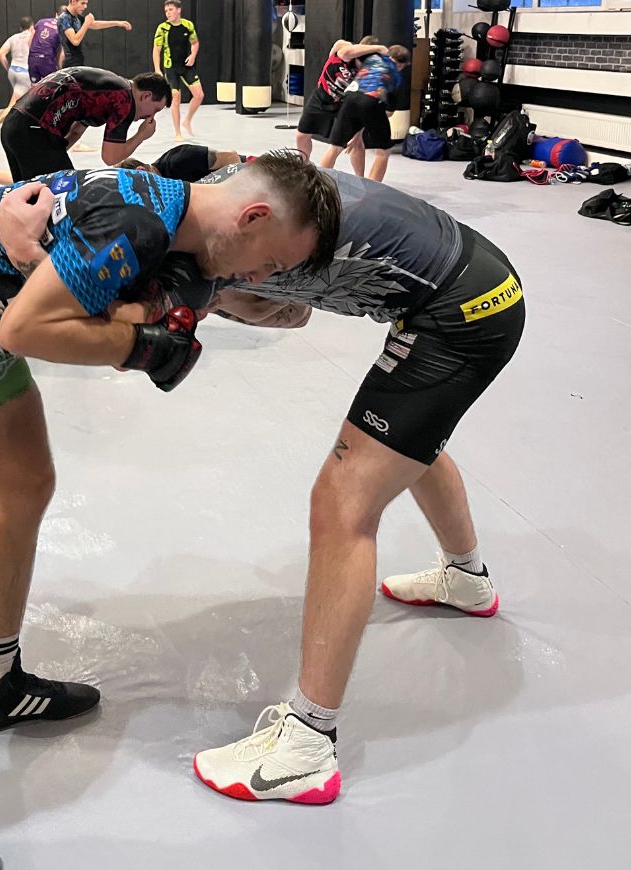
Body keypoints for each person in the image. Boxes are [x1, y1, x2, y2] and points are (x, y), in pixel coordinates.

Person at [0, 152, 341, 870]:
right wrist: (140, 346)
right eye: (270, 261)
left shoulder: (189, 232)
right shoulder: (137, 222)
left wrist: (211, 301)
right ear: (252, 216)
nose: (264, 277)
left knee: (27, 486)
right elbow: (27, 330)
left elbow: (274, 309)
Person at [167, 167, 524, 806]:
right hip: (466, 284)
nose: (262, 271)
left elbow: (293, 315)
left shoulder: (251, 219)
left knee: (340, 504)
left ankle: (306, 746)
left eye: (271, 263)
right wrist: (221, 292)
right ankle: (467, 578)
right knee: (406, 443)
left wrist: (217, 290)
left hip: (462, 312)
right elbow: (286, 308)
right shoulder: (241, 201)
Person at [0, 68, 171, 181]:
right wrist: (141, 135)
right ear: (146, 96)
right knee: (63, 196)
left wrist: (52, 157)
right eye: (156, 109)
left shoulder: (110, 87)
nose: (151, 116)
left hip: (13, 125)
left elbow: (75, 132)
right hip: (35, 131)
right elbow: (111, 157)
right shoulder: (125, 99)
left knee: (29, 196)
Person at [319, 45, 411, 183]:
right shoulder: (396, 76)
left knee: (335, 147)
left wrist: (358, 131)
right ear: (401, 65)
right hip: (372, 101)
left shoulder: (372, 58)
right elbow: (389, 111)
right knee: (383, 152)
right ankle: (371, 189)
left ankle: (318, 184)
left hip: (349, 97)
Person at [295, 35, 388, 168]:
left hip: (343, 105)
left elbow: (365, 103)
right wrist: (379, 48)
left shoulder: (370, 72)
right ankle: (304, 165)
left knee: (356, 143)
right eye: (360, 59)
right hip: (322, 95)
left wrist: (358, 133)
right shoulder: (344, 48)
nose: (361, 65)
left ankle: (359, 177)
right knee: (301, 135)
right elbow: (345, 52)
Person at [153, 0, 203, 141]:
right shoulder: (163, 28)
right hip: (171, 68)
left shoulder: (188, 25)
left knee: (199, 95)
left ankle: (187, 121)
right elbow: (156, 50)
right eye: (166, 11)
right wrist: (157, 69)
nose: (168, 13)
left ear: (178, 10)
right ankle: (177, 132)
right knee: (176, 98)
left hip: (186, 66)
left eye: (170, 10)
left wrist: (193, 55)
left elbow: (195, 43)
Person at [0, 17, 36, 133]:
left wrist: (8, 68)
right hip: (25, 72)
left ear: (21, 28)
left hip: (14, 71)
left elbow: (0, 54)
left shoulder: (13, 38)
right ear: (31, 27)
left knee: (23, 99)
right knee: (14, 103)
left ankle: (22, 122)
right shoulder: (32, 36)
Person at [117, 143, 248, 182]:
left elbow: (230, 156)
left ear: (142, 170)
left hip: (252, 169)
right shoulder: (164, 183)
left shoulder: (178, 160)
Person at [58, 0, 131, 69]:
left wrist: (118, 23)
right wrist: (86, 23)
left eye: (86, 3)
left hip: (77, 62)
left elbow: (94, 24)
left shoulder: (77, 17)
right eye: (82, 3)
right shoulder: (64, 18)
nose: (85, 6)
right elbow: (75, 41)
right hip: (70, 65)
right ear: (73, 1)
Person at [28, 7, 67, 84]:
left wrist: (30, 55)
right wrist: (60, 69)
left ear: (56, 14)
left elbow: (30, 40)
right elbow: (62, 54)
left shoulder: (41, 21)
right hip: (47, 60)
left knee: (34, 87)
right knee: (54, 86)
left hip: (32, 58)